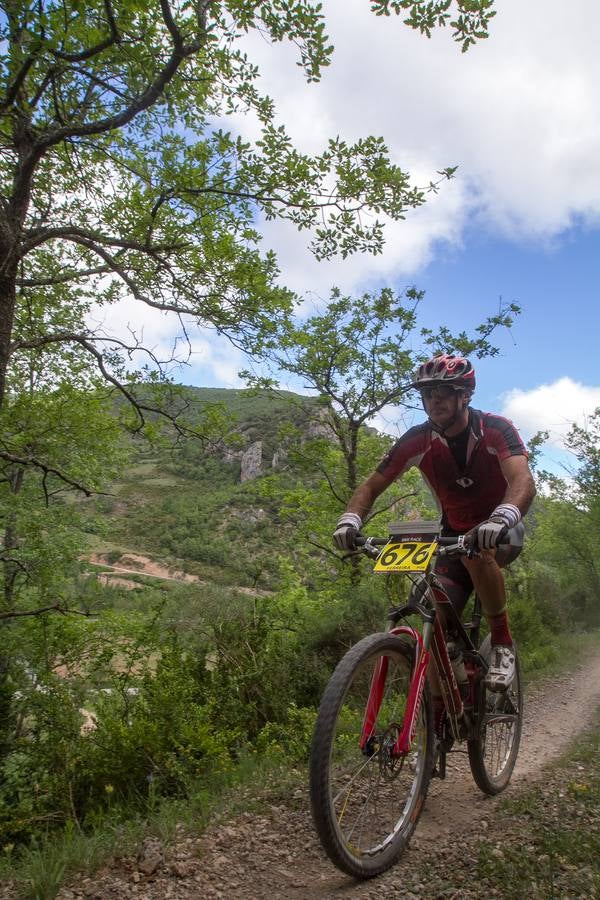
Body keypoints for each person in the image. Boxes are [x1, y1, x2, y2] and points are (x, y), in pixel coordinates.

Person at [333, 353, 536, 694]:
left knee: (476, 553)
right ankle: (446, 699)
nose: (434, 400)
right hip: (453, 534)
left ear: (464, 395)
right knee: (429, 608)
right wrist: (349, 520)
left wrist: (502, 517)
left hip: (503, 529)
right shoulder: (417, 439)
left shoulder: (494, 429)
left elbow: (523, 482)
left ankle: (502, 644)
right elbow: (370, 486)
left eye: (443, 392)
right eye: (427, 394)